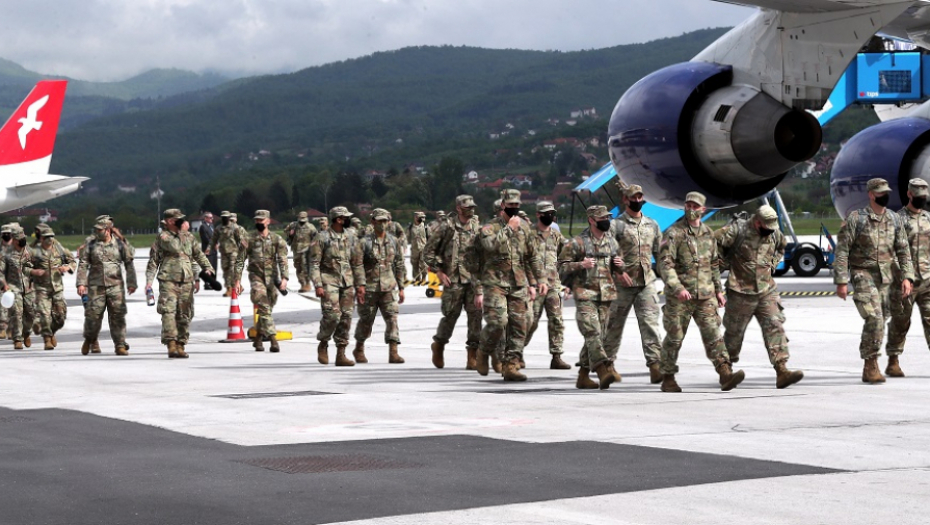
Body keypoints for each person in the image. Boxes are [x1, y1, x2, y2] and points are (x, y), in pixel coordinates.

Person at [657, 191, 744, 393]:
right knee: (675, 337)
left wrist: (719, 291)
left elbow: (713, 264)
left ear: (703, 209)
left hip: (705, 296)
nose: (691, 209)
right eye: (688, 205)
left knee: (714, 335)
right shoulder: (674, 233)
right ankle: (668, 377)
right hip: (681, 297)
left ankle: (725, 373)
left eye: (695, 206)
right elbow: (665, 264)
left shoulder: (708, 234)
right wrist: (677, 288)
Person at [835, 177, 914, 383]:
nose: (885, 196)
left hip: (888, 277)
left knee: (888, 317)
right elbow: (843, 250)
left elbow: (903, 250)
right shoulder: (857, 219)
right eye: (880, 193)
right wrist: (842, 280)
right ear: (871, 195)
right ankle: (870, 364)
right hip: (863, 274)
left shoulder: (894, 219)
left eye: (886, 192)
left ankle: (886, 359)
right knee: (874, 318)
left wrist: (907, 277)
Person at [718, 205, 803, 388]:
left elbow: (781, 246)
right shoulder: (736, 230)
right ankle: (725, 372)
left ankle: (782, 371)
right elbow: (713, 248)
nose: (769, 230)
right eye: (766, 226)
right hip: (740, 292)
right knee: (734, 334)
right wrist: (717, 275)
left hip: (766, 290)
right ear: (757, 222)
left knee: (775, 326)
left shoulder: (773, 232)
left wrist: (772, 263)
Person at [475, 189, 546, 381]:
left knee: (520, 325)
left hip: (518, 283)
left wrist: (540, 280)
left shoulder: (525, 228)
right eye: (510, 206)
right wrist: (509, 229)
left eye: (517, 205)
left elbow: (532, 256)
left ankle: (511, 365)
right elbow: (490, 247)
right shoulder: (489, 228)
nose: (514, 209)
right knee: (498, 323)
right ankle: (483, 351)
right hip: (495, 283)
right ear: (502, 206)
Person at [602, 184, 664, 383]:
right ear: (625, 200)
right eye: (633, 198)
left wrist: (671, 279)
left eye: (639, 197)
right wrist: (617, 272)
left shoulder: (652, 225)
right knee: (613, 326)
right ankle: (608, 365)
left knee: (650, 324)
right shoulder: (616, 225)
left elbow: (660, 255)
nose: (637, 201)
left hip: (646, 282)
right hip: (622, 284)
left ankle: (656, 365)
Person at [558, 205, 623, 389]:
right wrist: (580, 264)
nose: (606, 221)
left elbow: (618, 266)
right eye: (602, 218)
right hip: (585, 294)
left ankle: (583, 376)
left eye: (607, 217)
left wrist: (619, 265)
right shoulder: (577, 243)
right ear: (592, 220)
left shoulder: (612, 242)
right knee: (592, 332)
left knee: (597, 337)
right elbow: (560, 267)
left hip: (606, 295)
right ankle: (603, 370)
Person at [146, 209, 215, 358]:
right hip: (168, 280)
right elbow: (154, 261)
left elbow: (197, 255)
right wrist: (149, 282)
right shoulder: (163, 237)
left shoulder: (189, 237)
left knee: (185, 314)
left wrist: (206, 268)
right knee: (169, 312)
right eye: (178, 219)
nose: (182, 222)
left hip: (186, 280)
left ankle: (181, 344)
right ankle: (171, 343)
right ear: (170, 221)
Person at [424, 195, 483, 369]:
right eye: (467, 207)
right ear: (458, 208)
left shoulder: (477, 227)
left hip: (473, 280)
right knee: (450, 316)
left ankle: (472, 354)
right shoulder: (447, 227)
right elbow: (428, 252)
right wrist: (439, 272)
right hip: (453, 280)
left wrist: (480, 288)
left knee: (476, 318)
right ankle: (439, 345)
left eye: (473, 206)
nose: (471, 209)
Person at [310, 206, 364, 366]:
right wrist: (318, 284)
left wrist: (360, 284)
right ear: (338, 219)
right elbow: (314, 264)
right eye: (345, 217)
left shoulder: (351, 236)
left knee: (346, 318)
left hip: (347, 283)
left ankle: (341, 353)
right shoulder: (322, 238)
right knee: (332, 316)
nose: (348, 219)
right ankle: (323, 343)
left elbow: (357, 262)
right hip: (328, 282)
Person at [886, 179, 930, 376]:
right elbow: (892, 252)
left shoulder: (928, 219)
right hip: (905, 283)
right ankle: (893, 360)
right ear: (909, 194)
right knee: (901, 321)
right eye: (918, 196)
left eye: (924, 197)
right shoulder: (898, 220)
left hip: (928, 280)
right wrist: (905, 276)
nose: (922, 200)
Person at [352, 208, 407, 364]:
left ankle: (393, 352)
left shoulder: (394, 241)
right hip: (369, 288)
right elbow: (357, 265)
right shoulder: (364, 243)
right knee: (366, 320)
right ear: (373, 222)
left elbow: (399, 265)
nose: (383, 224)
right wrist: (360, 285)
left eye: (385, 221)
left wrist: (401, 287)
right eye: (379, 221)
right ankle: (359, 348)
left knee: (392, 318)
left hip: (388, 287)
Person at [76, 219, 137, 355]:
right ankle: (89, 339)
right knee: (93, 316)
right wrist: (81, 283)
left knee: (118, 315)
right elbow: (83, 263)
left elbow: (129, 263)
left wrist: (132, 283)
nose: (97, 232)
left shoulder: (120, 244)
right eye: (96, 230)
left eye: (100, 230)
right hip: (96, 286)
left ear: (107, 230)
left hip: (115, 285)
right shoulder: (91, 245)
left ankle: (120, 344)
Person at [524, 200, 570, 369]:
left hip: (553, 285)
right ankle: (516, 353)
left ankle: (556, 356)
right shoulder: (528, 235)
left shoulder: (556, 236)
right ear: (538, 215)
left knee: (557, 321)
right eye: (546, 213)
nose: (550, 216)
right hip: (534, 286)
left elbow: (564, 258)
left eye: (552, 213)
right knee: (530, 322)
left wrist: (566, 281)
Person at [237, 210, 289, 352]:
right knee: (264, 307)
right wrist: (237, 281)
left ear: (268, 221)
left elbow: (282, 259)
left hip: (272, 278)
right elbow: (240, 261)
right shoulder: (249, 239)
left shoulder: (277, 239)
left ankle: (258, 337)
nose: (259, 222)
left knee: (267, 309)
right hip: (256, 277)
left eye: (262, 220)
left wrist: (285, 278)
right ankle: (273, 339)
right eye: (257, 220)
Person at [30, 228, 76, 350]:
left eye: (52, 236)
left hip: (57, 288)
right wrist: (34, 271)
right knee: (45, 315)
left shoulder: (59, 249)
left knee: (60, 317)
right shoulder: (34, 252)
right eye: (47, 237)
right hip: (41, 288)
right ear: (41, 238)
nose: (50, 239)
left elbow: (72, 261)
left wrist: (67, 267)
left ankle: (52, 332)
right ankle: (47, 339)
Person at [0, 226, 35, 350]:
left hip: (29, 286)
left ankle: (26, 332)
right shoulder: (5, 254)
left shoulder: (29, 251)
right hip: (14, 287)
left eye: (23, 237)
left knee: (31, 313)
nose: (22, 240)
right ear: (14, 239)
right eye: (19, 238)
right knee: (17, 313)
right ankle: (17, 339)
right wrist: (4, 284)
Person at [209, 211, 246, 296]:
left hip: (234, 252)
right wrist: (209, 248)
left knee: (232, 270)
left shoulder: (236, 228)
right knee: (226, 270)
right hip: (223, 252)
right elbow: (213, 239)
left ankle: (233, 287)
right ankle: (232, 287)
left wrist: (245, 250)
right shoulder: (219, 228)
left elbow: (242, 239)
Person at [285, 211, 318, 293]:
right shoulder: (293, 225)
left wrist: (313, 246)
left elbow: (316, 237)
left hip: (306, 250)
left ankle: (307, 283)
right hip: (296, 249)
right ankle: (302, 283)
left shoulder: (310, 227)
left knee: (305, 267)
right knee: (298, 267)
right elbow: (286, 231)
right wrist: (290, 233)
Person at [0, 223, 15, 339]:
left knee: (15, 307)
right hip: (2, 281)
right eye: (4, 234)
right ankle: (2, 328)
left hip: (15, 281)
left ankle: (11, 328)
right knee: (2, 306)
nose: (6, 236)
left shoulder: (17, 249)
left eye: (8, 234)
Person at [408, 212, 429, 282]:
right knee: (414, 263)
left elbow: (430, 236)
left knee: (423, 263)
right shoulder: (411, 226)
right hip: (414, 248)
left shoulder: (425, 226)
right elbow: (407, 236)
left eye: (423, 217)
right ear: (415, 217)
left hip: (423, 247)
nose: (423, 219)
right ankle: (417, 278)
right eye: (421, 217)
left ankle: (424, 276)